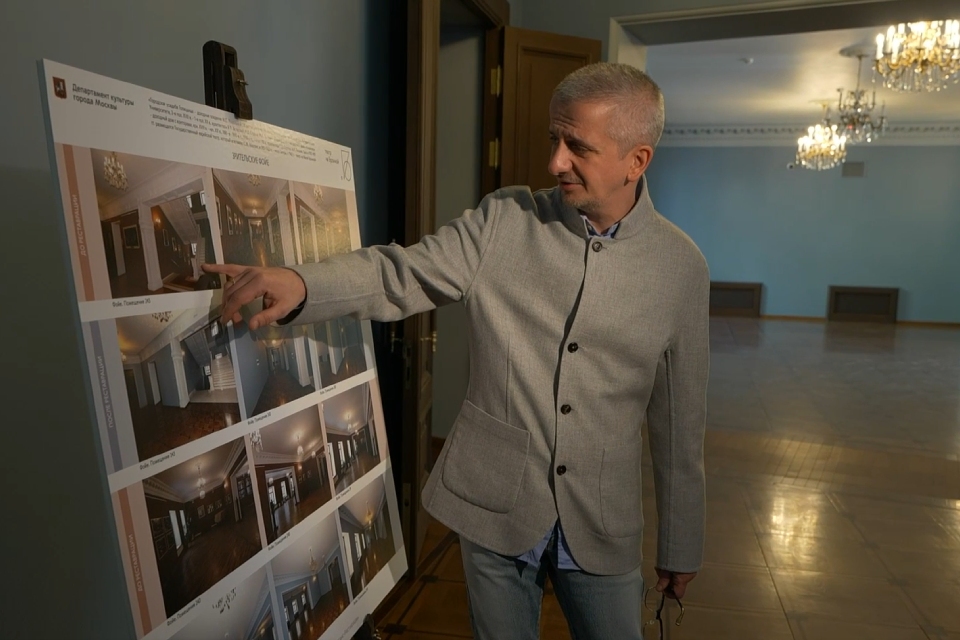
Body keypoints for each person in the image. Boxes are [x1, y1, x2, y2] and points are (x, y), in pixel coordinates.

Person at [203, 62, 708, 640]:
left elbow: (680, 424)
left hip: (603, 522)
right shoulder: (505, 220)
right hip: (492, 505)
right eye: (554, 139)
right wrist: (302, 283)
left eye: (578, 147)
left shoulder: (681, 269)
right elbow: (400, 273)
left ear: (636, 161)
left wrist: (681, 543)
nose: (555, 162)